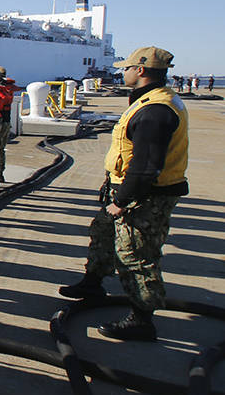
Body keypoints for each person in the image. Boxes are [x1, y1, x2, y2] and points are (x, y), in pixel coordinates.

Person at [60, 47, 188, 341]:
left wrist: (122, 201)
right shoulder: (152, 101)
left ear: (141, 70)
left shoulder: (155, 111)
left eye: (127, 68)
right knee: (103, 233)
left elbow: (146, 167)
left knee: (136, 254)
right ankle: (92, 283)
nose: (123, 72)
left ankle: (142, 319)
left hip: (144, 194)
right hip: (128, 186)